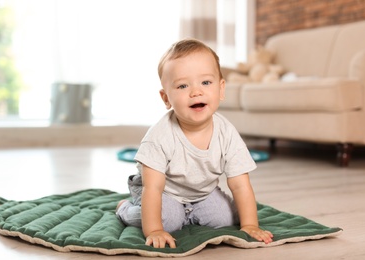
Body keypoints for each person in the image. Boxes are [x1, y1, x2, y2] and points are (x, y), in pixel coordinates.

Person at [116, 38, 273, 249]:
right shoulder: (160, 136)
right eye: (182, 85)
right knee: (167, 221)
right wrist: (154, 230)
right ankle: (125, 208)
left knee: (225, 218)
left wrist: (250, 225)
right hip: (163, 191)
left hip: (202, 192)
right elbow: (153, 188)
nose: (196, 92)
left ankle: (190, 212)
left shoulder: (227, 133)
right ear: (166, 99)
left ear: (221, 89)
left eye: (206, 82)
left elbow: (239, 183)